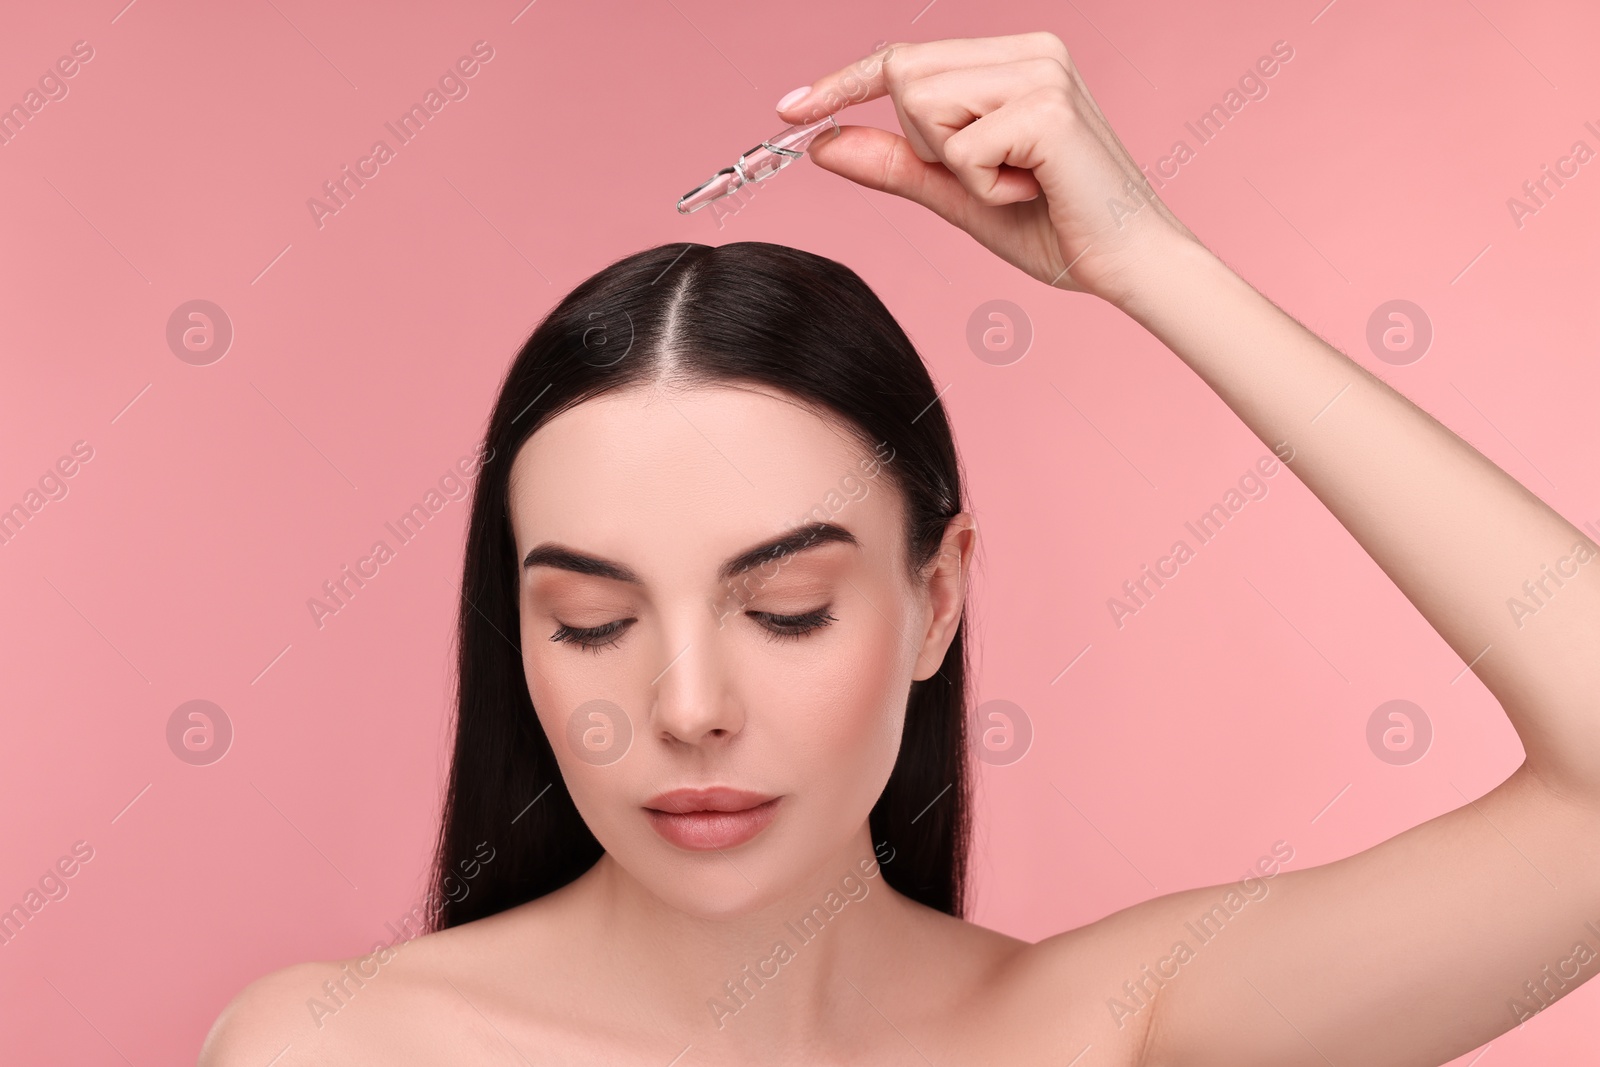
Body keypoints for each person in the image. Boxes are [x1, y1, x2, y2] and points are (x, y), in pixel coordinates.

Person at [200, 32, 1600, 1065]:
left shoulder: (1103, 1035)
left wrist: (1151, 264)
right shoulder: (336, 1047)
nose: (688, 709)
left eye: (789, 607)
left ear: (937, 598)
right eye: (589, 623)